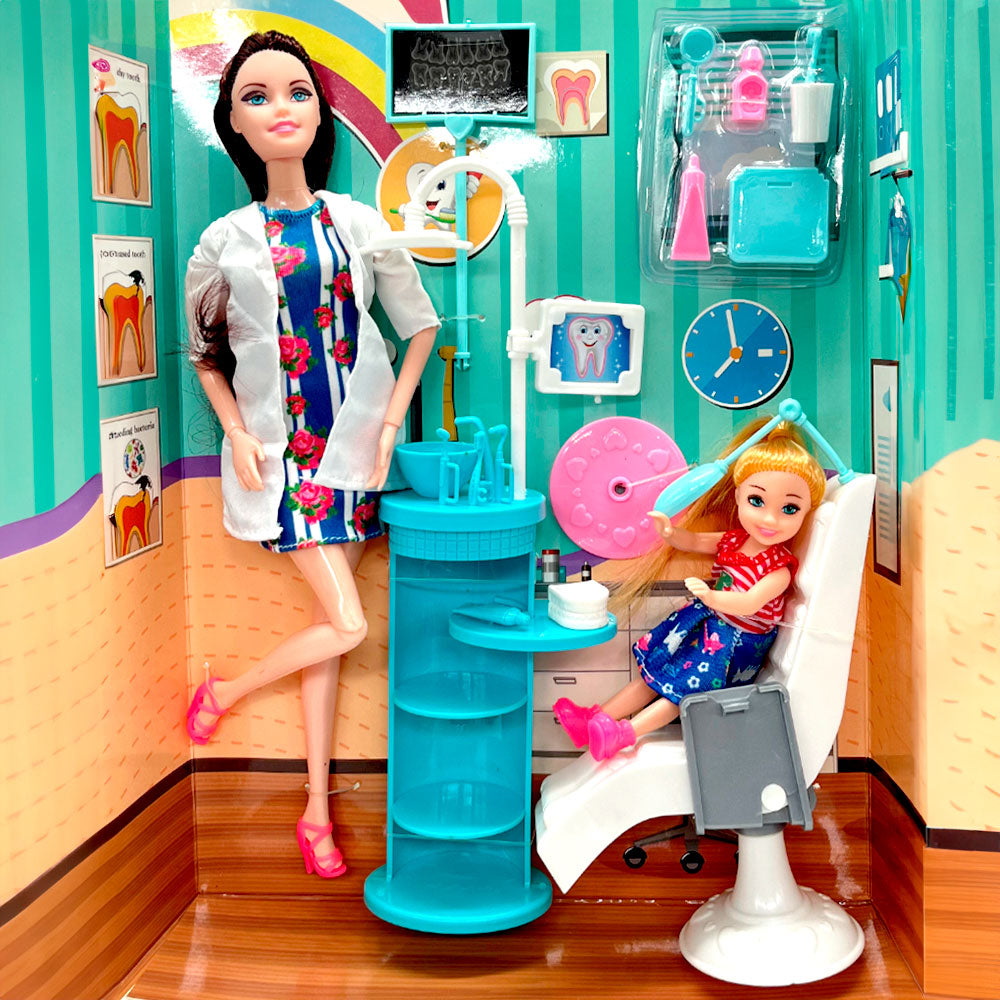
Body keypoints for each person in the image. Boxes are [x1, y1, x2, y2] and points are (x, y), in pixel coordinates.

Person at [183, 30, 439, 877]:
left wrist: (392, 425)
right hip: (285, 462)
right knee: (349, 624)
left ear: (320, 111)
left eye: (297, 92)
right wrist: (234, 430)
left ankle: (316, 813)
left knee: (335, 635)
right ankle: (224, 694)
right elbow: (206, 356)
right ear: (234, 123)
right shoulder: (221, 241)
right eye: (255, 97)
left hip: (355, 455)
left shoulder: (359, 222)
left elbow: (420, 327)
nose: (280, 109)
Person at [554, 419, 826, 762]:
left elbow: (749, 601)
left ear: (805, 512)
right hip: (710, 625)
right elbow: (696, 541)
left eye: (789, 509)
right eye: (757, 500)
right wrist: (670, 533)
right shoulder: (734, 540)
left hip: (736, 645)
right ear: (738, 495)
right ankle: (593, 720)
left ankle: (624, 734)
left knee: (681, 692)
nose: (770, 519)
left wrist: (711, 597)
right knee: (655, 674)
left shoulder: (779, 569)